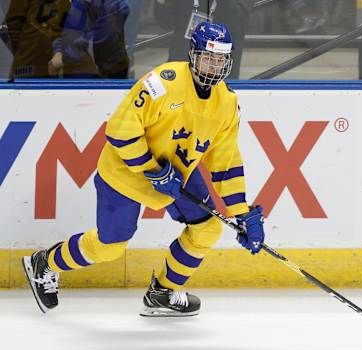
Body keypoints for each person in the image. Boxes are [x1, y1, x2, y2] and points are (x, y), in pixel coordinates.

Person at [22, 21, 265, 317]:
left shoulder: (227, 103)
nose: (213, 66)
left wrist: (241, 213)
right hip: (126, 173)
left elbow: (226, 162)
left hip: (177, 175)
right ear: (193, 55)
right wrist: (152, 169)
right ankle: (46, 262)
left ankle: (161, 292)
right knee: (110, 246)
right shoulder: (163, 82)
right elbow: (121, 130)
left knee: (208, 227)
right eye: (207, 58)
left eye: (220, 60)